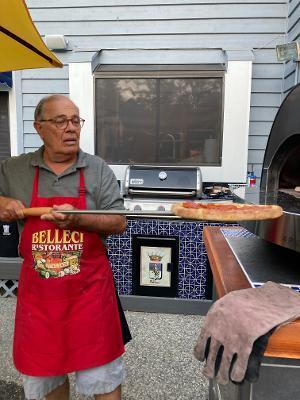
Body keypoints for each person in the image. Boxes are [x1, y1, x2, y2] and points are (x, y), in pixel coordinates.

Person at [0, 94, 129, 400]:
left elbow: (118, 222)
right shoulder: (14, 169)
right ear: (39, 128)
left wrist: (78, 219)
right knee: (46, 375)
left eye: (75, 120)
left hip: (90, 298)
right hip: (41, 303)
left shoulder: (97, 169)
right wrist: (2, 203)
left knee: (103, 378)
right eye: (60, 121)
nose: (71, 128)